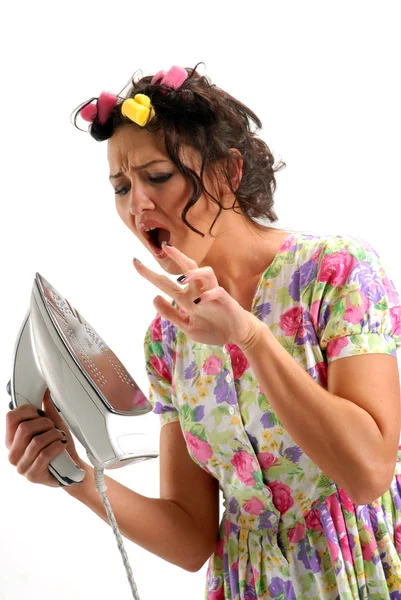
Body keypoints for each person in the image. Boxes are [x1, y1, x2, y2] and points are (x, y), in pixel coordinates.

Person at [5, 64, 401, 599]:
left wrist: (251, 338)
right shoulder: (168, 339)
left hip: (366, 571)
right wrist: (73, 476)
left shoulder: (336, 273)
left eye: (158, 176)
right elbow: (191, 539)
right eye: (121, 186)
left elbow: (369, 473)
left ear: (226, 174)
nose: (136, 204)